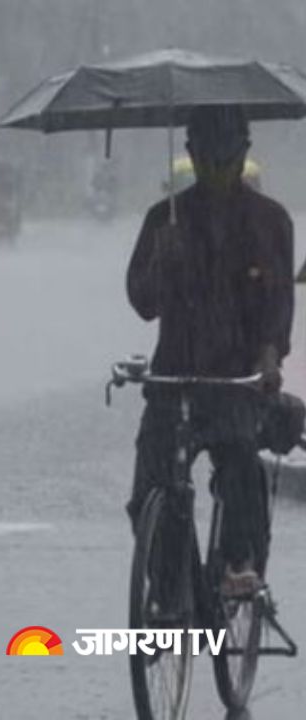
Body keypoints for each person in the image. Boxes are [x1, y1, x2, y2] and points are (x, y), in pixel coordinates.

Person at [125, 106, 294, 597]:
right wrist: (162, 259)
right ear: (191, 155)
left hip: (235, 380)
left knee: (240, 466)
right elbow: (143, 302)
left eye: (228, 156)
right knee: (151, 489)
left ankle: (237, 563)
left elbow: (279, 303)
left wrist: (268, 358)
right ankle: (170, 586)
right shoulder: (164, 219)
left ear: (244, 153)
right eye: (207, 157)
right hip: (173, 376)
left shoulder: (270, 222)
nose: (218, 169)